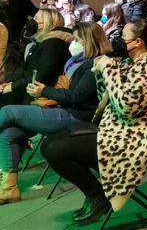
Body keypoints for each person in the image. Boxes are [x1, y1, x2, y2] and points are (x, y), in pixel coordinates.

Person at [41, 19, 147, 224]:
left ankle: (97, 196)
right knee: (50, 144)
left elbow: (126, 107)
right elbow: (107, 96)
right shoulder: (132, 62)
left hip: (131, 140)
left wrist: (109, 70)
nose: (119, 41)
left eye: (124, 38)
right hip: (114, 129)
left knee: (54, 149)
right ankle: (96, 195)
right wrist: (102, 72)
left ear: (138, 42)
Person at [0, 22, 105, 204]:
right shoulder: (77, 62)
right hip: (61, 109)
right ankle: (9, 189)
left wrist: (45, 91)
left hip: (75, 117)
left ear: (88, 41)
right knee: (8, 134)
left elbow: (77, 96)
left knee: (7, 112)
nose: (73, 43)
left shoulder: (94, 65)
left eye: (77, 39)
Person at [0, 8, 72, 107]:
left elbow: (41, 76)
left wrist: (12, 87)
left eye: (37, 18)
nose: (33, 21)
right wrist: (11, 84)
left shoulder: (53, 44)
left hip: (40, 96)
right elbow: (29, 73)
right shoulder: (42, 42)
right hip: (29, 88)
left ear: (48, 23)